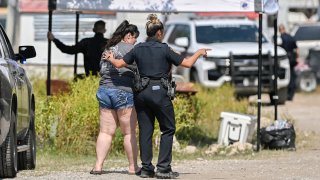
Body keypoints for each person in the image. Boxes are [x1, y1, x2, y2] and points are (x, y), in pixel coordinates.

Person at [104, 14, 209, 179]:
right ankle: (163, 168)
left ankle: (146, 169)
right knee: (168, 128)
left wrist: (111, 58)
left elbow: (118, 64)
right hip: (159, 92)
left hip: (141, 93)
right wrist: (199, 52)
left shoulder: (137, 48)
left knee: (146, 130)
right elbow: (188, 64)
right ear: (159, 33)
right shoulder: (165, 48)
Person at [90, 20, 141, 175]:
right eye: (134, 38)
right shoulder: (132, 49)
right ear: (128, 36)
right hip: (124, 92)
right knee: (129, 132)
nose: (135, 41)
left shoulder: (108, 49)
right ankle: (133, 167)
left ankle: (98, 166)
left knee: (105, 132)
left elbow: (101, 69)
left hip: (104, 90)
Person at [279, 24, 299, 101]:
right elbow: (297, 49)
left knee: (285, 76)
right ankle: (291, 94)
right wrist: (297, 58)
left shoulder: (280, 38)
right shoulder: (290, 37)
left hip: (284, 59)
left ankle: (287, 94)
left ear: (279, 30)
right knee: (292, 76)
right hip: (292, 59)